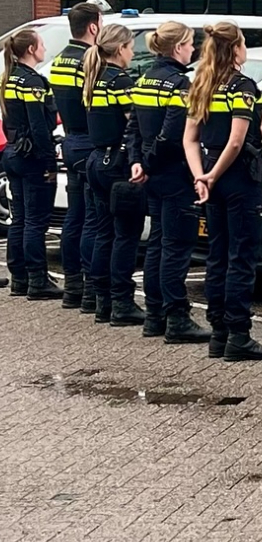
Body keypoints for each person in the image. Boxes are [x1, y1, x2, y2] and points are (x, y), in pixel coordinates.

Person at [184, 22, 262, 360]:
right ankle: (239, 334)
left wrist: (201, 177)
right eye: (244, 43)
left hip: (210, 178)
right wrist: (214, 175)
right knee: (241, 257)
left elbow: (189, 139)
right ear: (235, 49)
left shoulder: (202, 84)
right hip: (237, 179)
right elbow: (237, 141)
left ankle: (218, 331)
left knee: (217, 255)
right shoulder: (242, 86)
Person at [130, 23, 211, 342]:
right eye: (191, 44)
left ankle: (154, 315)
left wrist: (137, 161)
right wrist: (148, 163)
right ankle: (177, 318)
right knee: (176, 249)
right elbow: (173, 135)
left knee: (157, 246)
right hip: (175, 174)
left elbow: (134, 128)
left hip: (151, 175)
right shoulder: (179, 84)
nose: (193, 50)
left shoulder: (143, 79)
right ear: (178, 47)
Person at [81, 24, 143, 327]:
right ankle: (122, 302)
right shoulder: (120, 80)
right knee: (126, 235)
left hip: (96, 160)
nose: (132, 53)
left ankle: (102, 300)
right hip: (117, 163)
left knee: (104, 233)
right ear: (120, 49)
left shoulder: (95, 77)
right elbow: (134, 123)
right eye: (131, 47)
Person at [46, 3, 101, 309]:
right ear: (93, 27)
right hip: (90, 143)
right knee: (93, 219)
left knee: (74, 217)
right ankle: (92, 290)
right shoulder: (87, 61)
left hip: (70, 140)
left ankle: (72, 285)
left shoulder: (59, 61)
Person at [2, 28, 61, 300]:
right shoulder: (33, 82)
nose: (44, 49)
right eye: (41, 45)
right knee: (36, 221)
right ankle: (37, 279)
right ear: (30, 50)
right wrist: (49, 161)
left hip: (13, 153)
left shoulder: (9, 79)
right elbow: (39, 126)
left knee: (20, 219)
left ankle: (19, 278)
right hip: (31, 156)